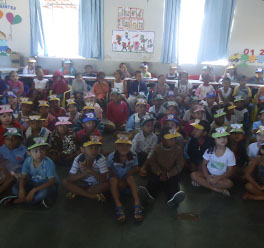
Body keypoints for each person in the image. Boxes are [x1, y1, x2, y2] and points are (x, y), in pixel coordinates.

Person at [138, 127, 185, 207]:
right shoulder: (157, 148)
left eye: (175, 137)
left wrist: (169, 174)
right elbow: (152, 162)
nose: (174, 140)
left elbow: (179, 165)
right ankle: (149, 195)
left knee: (173, 184)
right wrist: (159, 172)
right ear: (163, 140)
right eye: (171, 139)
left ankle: (172, 198)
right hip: (158, 172)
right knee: (153, 181)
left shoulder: (178, 150)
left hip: (171, 173)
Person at [11, 136, 58, 207]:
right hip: (32, 183)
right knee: (15, 188)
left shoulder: (48, 163)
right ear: (29, 152)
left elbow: (51, 181)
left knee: (44, 193)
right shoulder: (27, 161)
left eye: (42, 150)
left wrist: (34, 190)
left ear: (46, 150)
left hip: (46, 185)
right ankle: (33, 200)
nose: (39, 154)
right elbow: (24, 177)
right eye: (35, 151)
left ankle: (26, 200)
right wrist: (21, 190)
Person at [108, 132, 143, 223]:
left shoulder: (134, 155)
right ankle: (118, 205)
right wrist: (119, 181)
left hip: (126, 182)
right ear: (116, 146)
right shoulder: (111, 157)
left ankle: (137, 203)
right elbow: (110, 170)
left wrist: (125, 178)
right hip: (116, 184)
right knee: (112, 180)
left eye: (127, 145)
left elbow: (136, 168)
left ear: (130, 146)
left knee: (130, 178)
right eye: (121, 145)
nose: (124, 148)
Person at [191, 127, 235, 196]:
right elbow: (203, 164)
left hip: (221, 177)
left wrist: (218, 178)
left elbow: (230, 171)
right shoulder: (210, 150)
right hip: (208, 174)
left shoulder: (230, 154)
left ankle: (204, 184)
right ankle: (217, 190)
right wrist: (207, 176)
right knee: (193, 175)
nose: (223, 139)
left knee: (229, 184)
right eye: (219, 138)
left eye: (225, 137)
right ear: (214, 140)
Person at [63, 135, 108, 202]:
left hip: (96, 184)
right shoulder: (78, 159)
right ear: (82, 149)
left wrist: (90, 170)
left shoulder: (101, 159)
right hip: (82, 182)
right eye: (90, 147)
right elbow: (70, 178)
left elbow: (103, 180)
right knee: (65, 182)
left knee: (106, 185)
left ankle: (78, 192)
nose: (94, 150)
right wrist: (84, 173)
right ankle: (93, 196)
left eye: (96, 148)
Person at [0, 128, 27, 195]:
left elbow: (27, 169)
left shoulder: (25, 151)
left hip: (17, 175)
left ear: (20, 140)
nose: (10, 141)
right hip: (4, 172)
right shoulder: (2, 149)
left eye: (14, 139)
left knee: (11, 178)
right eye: (7, 139)